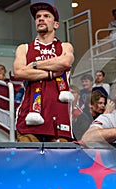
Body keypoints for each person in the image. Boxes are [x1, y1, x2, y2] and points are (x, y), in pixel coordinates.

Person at [13, 2, 74, 142]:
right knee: (28, 161)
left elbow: (64, 62)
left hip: (59, 117)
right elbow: (19, 72)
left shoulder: (65, 46)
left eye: (46, 16)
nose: (41, 18)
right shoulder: (24, 48)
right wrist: (51, 74)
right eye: (38, 17)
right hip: (29, 118)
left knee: (60, 162)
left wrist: (33, 65)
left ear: (56, 24)